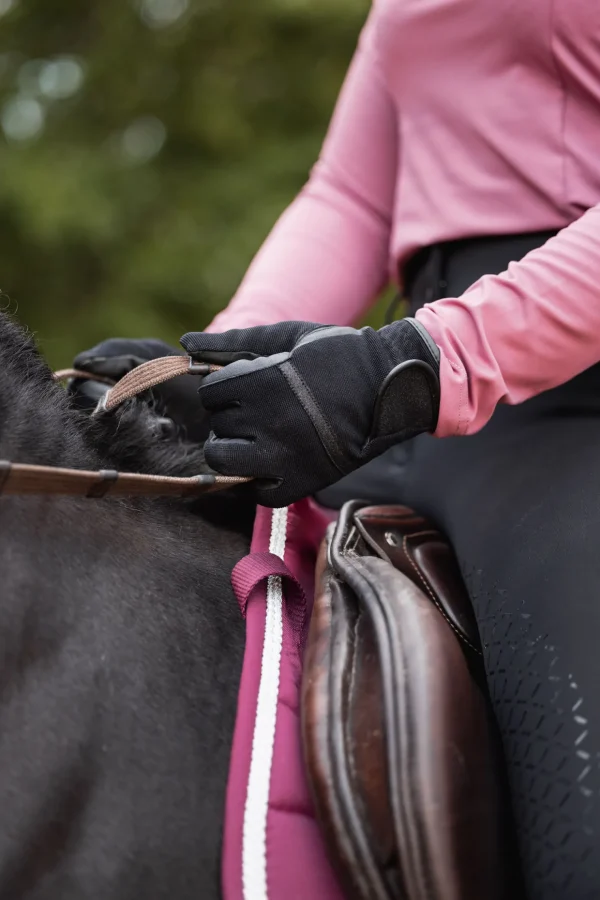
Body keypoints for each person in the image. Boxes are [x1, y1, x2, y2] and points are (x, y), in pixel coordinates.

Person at [75, 2, 600, 896]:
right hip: (422, 381)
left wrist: (420, 363)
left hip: (566, 388)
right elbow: (351, 194)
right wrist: (217, 368)